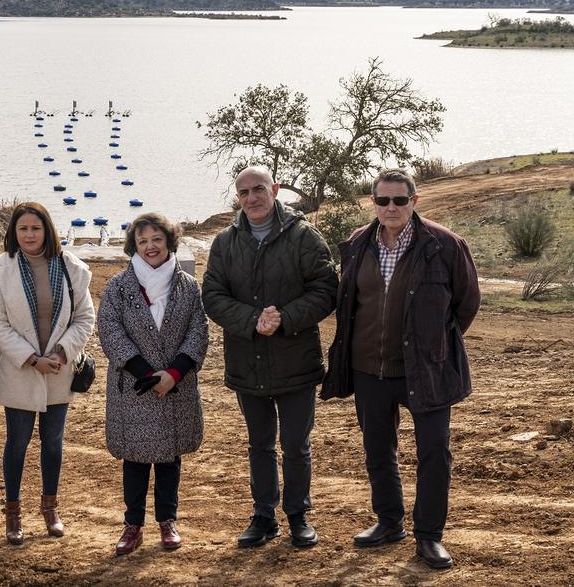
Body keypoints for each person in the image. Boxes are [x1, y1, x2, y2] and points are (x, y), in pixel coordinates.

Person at [321, 168, 480, 570]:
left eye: (399, 200)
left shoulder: (444, 245)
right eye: (382, 200)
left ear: (414, 201)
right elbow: (350, 303)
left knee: (433, 453)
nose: (390, 208)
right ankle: (389, 522)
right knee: (378, 449)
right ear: (372, 202)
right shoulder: (358, 243)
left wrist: (434, 343)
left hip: (426, 370)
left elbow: (466, 303)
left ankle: (429, 537)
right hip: (368, 368)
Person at [201, 166, 337, 549]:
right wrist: (251, 320)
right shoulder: (225, 243)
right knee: (259, 444)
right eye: (243, 192)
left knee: (296, 444)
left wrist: (284, 318)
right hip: (248, 361)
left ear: (274, 190)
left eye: (258, 189)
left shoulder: (304, 236)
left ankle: (297, 515)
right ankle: (264, 516)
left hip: (296, 360)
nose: (251, 198)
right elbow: (212, 296)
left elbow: (327, 290)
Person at [97, 212, 209, 556]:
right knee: (134, 459)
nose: (150, 246)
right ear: (134, 245)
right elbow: (110, 331)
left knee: (169, 459)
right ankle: (132, 526)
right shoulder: (118, 286)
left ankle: (167, 522)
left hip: (176, 386)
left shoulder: (188, 286)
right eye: (143, 241)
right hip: (135, 387)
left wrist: (173, 373)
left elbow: (198, 331)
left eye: (157, 239)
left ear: (169, 242)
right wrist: (146, 373)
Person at [0, 202, 95, 545]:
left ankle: (50, 509)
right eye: (23, 229)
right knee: (17, 443)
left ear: (47, 230)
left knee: (53, 442)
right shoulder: (3, 268)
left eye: (35, 228)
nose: (30, 235)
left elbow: (85, 318)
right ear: (14, 233)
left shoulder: (70, 267)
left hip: (59, 369)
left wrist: (62, 352)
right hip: (20, 370)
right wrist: (32, 358)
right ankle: (13, 515)